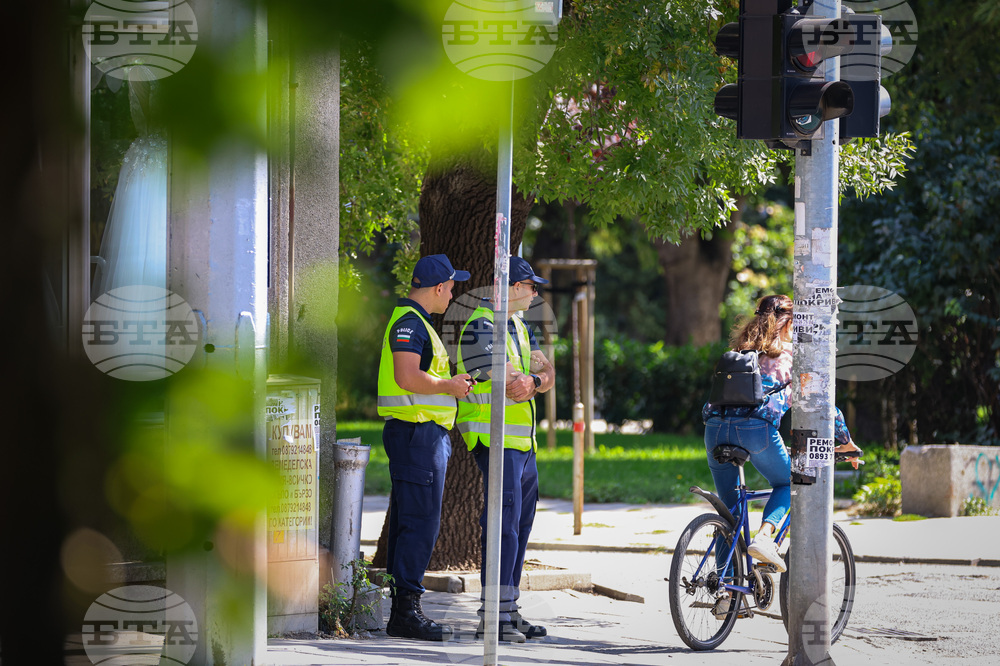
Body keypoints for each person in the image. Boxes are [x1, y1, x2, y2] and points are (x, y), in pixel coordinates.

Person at [702, 294, 861, 617]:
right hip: (756, 431)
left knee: (729, 513)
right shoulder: (791, 358)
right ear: (789, 322)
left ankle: (726, 595)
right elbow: (823, 405)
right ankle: (766, 537)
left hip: (714, 431)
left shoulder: (737, 353)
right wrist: (845, 442)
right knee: (789, 483)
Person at [456, 256, 556, 643]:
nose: (535, 295)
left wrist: (535, 379)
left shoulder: (516, 324)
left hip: (522, 444)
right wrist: (532, 379)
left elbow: (544, 373)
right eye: (533, 288)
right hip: (495, 441)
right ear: (514, 287)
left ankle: (509, 611)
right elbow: (505, 377)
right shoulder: (481, 323)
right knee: (503, 528)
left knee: (519, 528)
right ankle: (493, 617)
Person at [378, 254, 475, 641]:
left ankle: (404, 609)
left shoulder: (417, 323)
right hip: (417, 435)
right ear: (438, 288)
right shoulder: (409, 322)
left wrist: (449, 385)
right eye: (451, 288)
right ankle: (406, 613)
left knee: (412, 522)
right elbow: (407, 376)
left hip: (419, 435)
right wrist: (449, 386)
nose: (452, 295)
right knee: (420, 524)